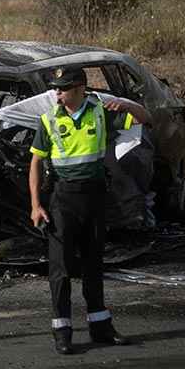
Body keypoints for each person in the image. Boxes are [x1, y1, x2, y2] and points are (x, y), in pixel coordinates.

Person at [28, 66, 151, 354]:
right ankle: (62, 330)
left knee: (94, 265)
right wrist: (35, 205)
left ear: (80, 88)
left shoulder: (101, 112)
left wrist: (127, 104)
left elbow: (146, 119)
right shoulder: (48, 120)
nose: (57, 92)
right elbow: (34, 163)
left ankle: (100, 327)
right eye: (55, 88)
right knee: (60, 270)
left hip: (94, 198)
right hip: (62, 200)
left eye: (63, 87)